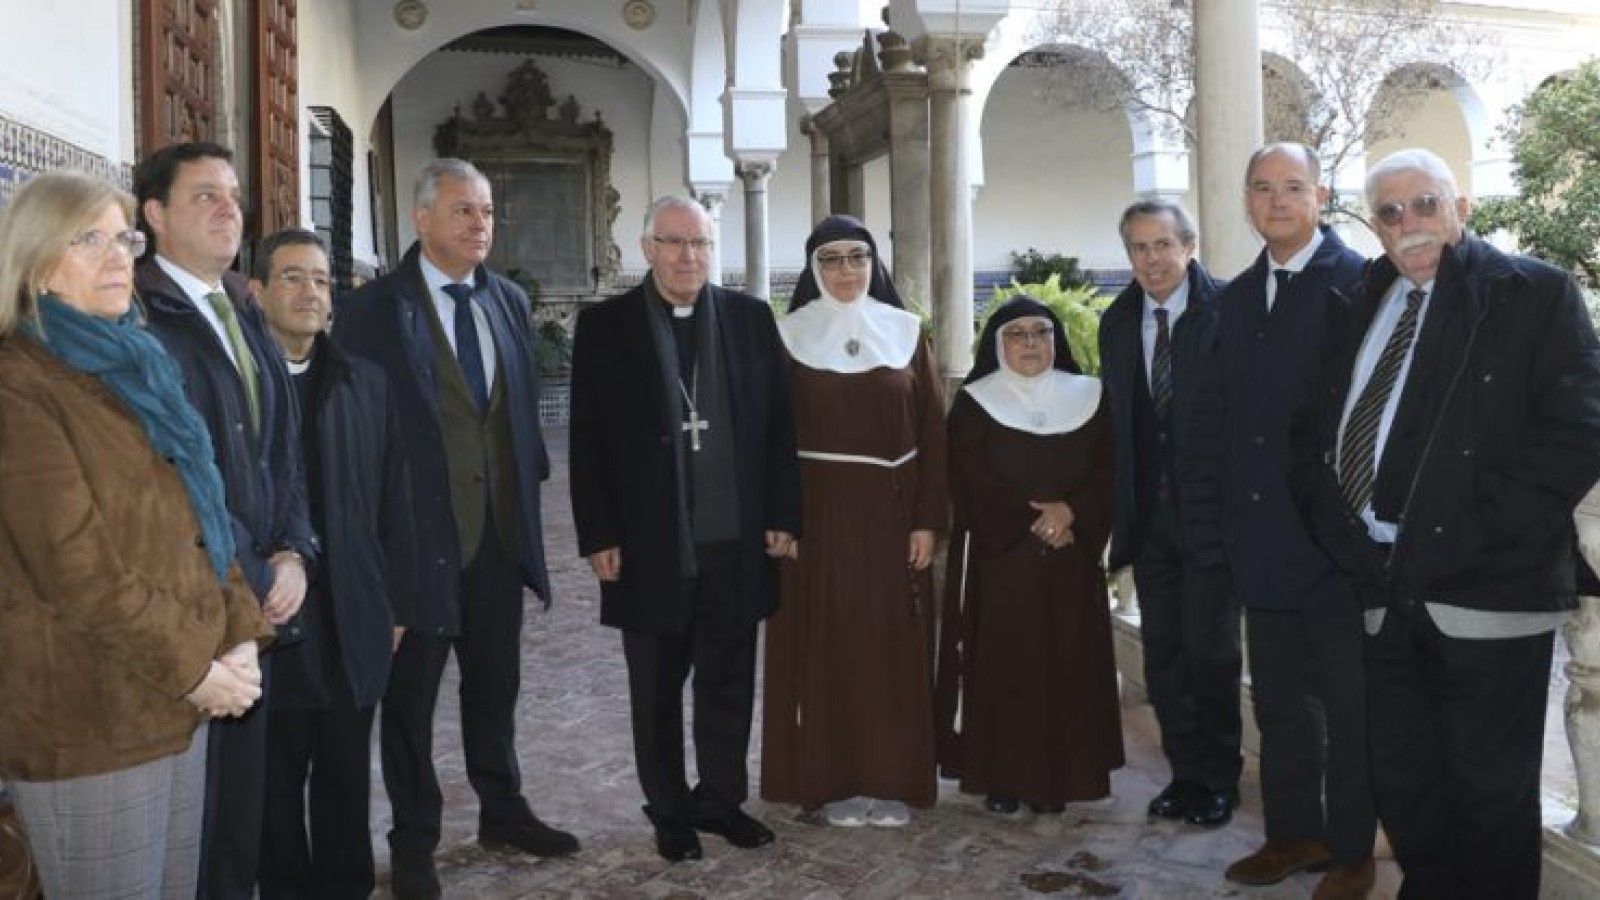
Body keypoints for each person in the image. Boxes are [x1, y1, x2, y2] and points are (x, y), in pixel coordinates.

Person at [1291, 148, 1600, 899]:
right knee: (1407, 783)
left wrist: (1477, 532)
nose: (1409, 225)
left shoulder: (1532, 292)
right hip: (1383, 588)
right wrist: (1347, 538)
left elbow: (1579, 428)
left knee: (1490, 797)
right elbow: (1318, 431)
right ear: (1374, 225)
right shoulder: (1365, 295)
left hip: (1487, 592)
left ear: (1459, 205)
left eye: (1425, 204)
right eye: (1390, 213)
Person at [0, 171, 272, 898]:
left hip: (178, 701)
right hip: (89, 718)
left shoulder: (139, 366)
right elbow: (76, 568)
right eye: (88, 239)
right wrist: (198, 669)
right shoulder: (19, 384)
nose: (118, 255)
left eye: (123, 237)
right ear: (34, 262)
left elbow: (201, 518)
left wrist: (239, 634)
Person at [336, 158, 573, 899]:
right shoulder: (374, 309)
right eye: (463, 210)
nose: (480, 224)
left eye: (487, 211)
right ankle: (414, 840)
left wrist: (525, 480)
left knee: (495, 685)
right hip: (416, 548)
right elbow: (360, 431)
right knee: (410, 703)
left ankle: (502, 807)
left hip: (497, 537)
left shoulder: (505, 299)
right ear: (422, 219)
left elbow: (515, 412)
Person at [569, 196, 801, 862]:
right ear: (647, 248)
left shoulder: (751, 319)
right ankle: (668, 809)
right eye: (673, 243)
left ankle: (720, 801)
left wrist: (784, 514)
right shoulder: (607, 327)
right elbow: (586, 440)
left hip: (735, 538)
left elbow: (782, 426)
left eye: (699, 243)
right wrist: (598, 534)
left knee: (728, 680)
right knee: (657, 687)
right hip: (649, 543)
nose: (688, 256)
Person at [134, 141, 316, 900]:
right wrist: (243, 577)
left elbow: (282, 453)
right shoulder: (140, 317)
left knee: (242, 820)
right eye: (204, 195)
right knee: (196, 835)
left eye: (233, 195)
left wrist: (297, 551)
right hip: (193, 621)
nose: (227, 208)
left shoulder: (241, 307)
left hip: (257, 606)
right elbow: (159, 486)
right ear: (153, 215)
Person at [1210, 142, 1376, 899]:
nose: (1276, 201)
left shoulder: (1362, 286)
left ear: (1321, 195)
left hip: (1335, 545)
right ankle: (1292, 834)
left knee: (1348, 708)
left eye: (1292, 187)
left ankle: (1351, 852)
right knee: (1277, 706)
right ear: (1246, 200)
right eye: (1262, 188)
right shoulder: (1236, 298)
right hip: (1261, 541)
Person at [760, 214, 947, 827]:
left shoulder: (904, 331)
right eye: (832, 259)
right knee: (829, 648)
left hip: (892, 515)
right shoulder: (788, 336)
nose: (846, 270)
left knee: (892, 650)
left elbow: (933, 435)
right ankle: (832, 781)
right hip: (817, 516)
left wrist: (926, 521)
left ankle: (892, 781)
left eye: (857, 257)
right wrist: (780, 518)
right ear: (814, 268)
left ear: (874, 265)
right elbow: (768, 438)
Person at [253, 229, 418, 898]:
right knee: (274, 784)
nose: (309, 292)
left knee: (347, 777)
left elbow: (394, 500)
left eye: (321, 280)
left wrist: (397, 603)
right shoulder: (240, 385)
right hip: (272, 618)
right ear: (258, 291)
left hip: (349, 611)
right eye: (292, 277)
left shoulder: (364, 383)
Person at [934, 295, 1121, 814]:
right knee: (1006, 667)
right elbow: (969, 476)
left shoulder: (1091, 395)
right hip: (1003, 561)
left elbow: (1109, 466)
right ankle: (1004, 777)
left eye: (1040, 332)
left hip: (1072, 560)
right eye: (1017, 334)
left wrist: (1073, 513)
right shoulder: (976, 401)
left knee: (1070, 665)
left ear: (1055, 340)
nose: (1031, 343)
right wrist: (1033, 521)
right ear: (998, 343)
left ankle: (1068, 776)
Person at [1096, 200, 1240, 827]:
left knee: (1211, 655)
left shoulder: (1230, 312)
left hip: (1213, 522)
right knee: (1164, 656)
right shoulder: (1119, 322)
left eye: (1162, 245)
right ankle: (1185, 775)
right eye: (1138, 248)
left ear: (1189, 246)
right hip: (1149, 525)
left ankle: (1218, 780)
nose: (1152, 259)